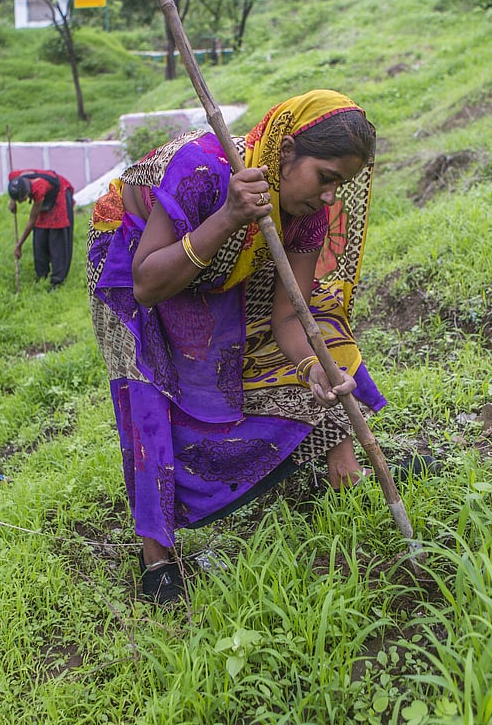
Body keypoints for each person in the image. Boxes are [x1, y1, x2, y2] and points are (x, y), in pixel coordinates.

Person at [88, 90, 387, 605]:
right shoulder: (203, 168)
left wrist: (312, 366)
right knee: (152, 387)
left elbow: (290, 315)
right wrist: (228, 217)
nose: (332, 198)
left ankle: (338, 472)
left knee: (283, 351)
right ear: (287, 150)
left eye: (343, 185)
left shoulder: (307, 212)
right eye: (327, 177)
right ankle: (156, 555)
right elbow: (147, 283)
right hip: (132, 257)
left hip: (222, 269)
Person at [8, 169, 76, 289]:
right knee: (40, 236)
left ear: (27, 193)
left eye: (21, 199)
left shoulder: (39, 188)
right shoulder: (16, 178)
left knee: (57, 237)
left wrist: (19, 245)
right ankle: (41, 275)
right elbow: (13, 180)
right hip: (47, 196)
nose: (21, 202)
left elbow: (32, 221)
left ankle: (57, 280)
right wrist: (12, 200)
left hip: (59, 194)